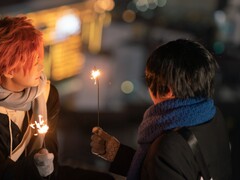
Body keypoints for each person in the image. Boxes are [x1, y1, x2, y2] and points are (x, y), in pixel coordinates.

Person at [0, 16, 115, 180]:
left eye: (40, 57)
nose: (41, 66)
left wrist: (45, 166)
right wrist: (37, 166)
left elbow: (52, 163)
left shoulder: (46, 95)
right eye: (34, 61)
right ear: (8, 69)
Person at [91, 39, 232, 179]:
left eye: (149, 79)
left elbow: (168, 164)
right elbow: (176, 168)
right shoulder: (212, 116)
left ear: (169, 90)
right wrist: (117, 153)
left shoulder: (168, 145)